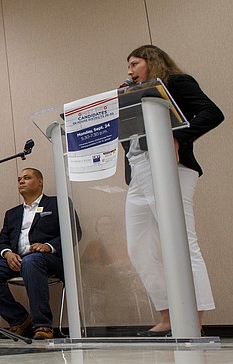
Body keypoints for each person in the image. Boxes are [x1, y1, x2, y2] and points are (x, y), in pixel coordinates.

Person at [121, 45, 223, 336]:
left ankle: (194, 322)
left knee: (182, 242)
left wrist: (176, 136)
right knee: (139, 248)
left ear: (152, 61)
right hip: (138, 172)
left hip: (170, 167)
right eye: (127, 66)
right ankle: (168, 317)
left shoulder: (177, 83)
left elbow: (212, 113)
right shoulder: (131, 93)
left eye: (134, 64)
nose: (129, 71)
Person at [0, 168, 73, 340]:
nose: (21, 181)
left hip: (48, 259)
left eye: (27, 178)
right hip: (17, 260)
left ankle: (43, 324)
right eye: (19, 179)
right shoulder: (12, 213)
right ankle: (19, 319)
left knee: (32, 261)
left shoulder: (58, 203)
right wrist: (7, 254)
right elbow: (2, 242)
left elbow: (73, 231)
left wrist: (49, 246)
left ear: (40, 181)